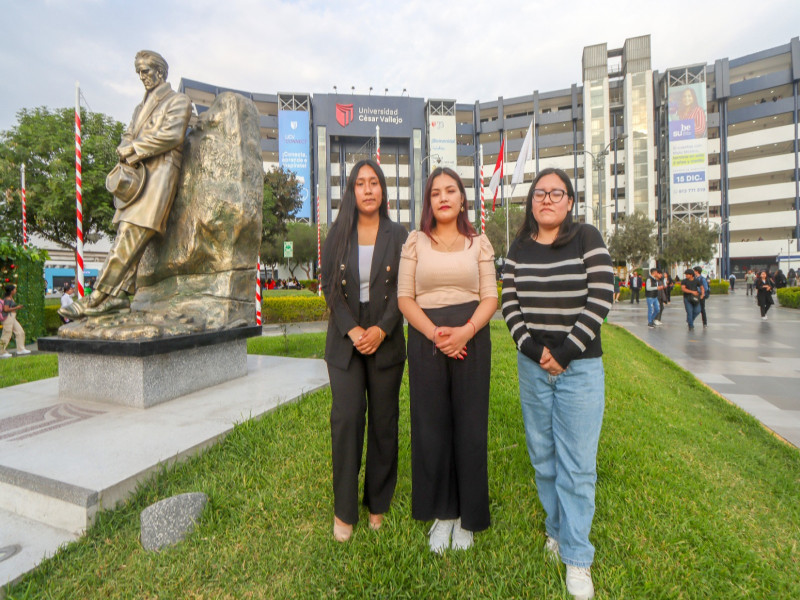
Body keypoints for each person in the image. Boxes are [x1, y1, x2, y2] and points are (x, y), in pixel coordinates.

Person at [502, 168, 614, 600]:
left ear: (569, 202)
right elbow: (509, 301)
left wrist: (564, 353)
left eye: (557, 193)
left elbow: (602, 294)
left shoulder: (587, 237)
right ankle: (555, 529)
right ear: (531, 202)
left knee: (577, 464)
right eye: (540, 193)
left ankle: (578, 557)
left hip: (580, 367)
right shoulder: (519, 247)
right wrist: (535, 352)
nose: (547, 199)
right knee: (543, 456)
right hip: (533, 367)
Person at [397, 167, 496, 554]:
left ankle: (469, 518)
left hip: (471, 337)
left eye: (450, 190)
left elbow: (491, 296)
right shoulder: (415, 242)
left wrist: (465, 332)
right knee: (431, 427)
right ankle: (443, 514)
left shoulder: (479, 243)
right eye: (435, 192)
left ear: (461, 199)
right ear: (429, 201)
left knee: (470, 428)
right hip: (426, 338)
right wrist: (437, 335)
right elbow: (405, 297)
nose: (443, 197)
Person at [60, 50, 192, 320]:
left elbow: (172, 135)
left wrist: (132, 149)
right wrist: (125, 147)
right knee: (128, 235)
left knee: (129, 234)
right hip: (137, 180)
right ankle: (117, 298)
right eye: (139, 72)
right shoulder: (139, 108)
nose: (142, 77)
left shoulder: (179, 101)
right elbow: (127, 135)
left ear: (160, 72)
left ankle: (96, 297)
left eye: (146, 71)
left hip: (159, 179)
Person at [320, 159, 408, 543]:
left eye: (374, 183)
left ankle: (378, 503)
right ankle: (344, 511)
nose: (368, 189)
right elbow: (330, 290)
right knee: (348, 419)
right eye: (361, 183)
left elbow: (405, 290)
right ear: (352, 191)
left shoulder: (400, 234)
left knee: (384, 423)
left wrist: (382, 329)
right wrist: (354, 330)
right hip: (345, 341)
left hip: (385, 337)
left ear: (384, 191)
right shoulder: (337, 233)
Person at [1, 284, 31, 358]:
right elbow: (6, 309)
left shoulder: (10, 298)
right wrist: (16, 308)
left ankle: (21, 349)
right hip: (8, 317)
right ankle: (1, 351)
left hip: (12, 317)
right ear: (11, 291)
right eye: (14, 289)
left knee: (20, 331)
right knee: (7, 333)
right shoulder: (7, 299)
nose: (15, 290)